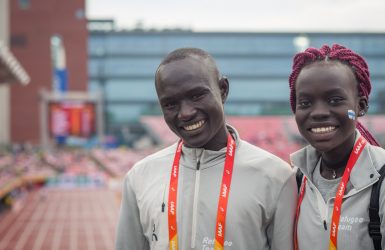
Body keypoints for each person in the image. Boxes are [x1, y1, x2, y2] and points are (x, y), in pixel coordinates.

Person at [116, 48, 297, 250]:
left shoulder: (276, 176)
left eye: (196, 96)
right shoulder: (140, 176)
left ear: (223, 90)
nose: (185, 113)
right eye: (170, 104)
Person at [289, 44, 385, 250]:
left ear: (361, 106)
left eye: (335, 100)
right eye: (305, 103)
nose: (319, 112)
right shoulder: (295, 180)